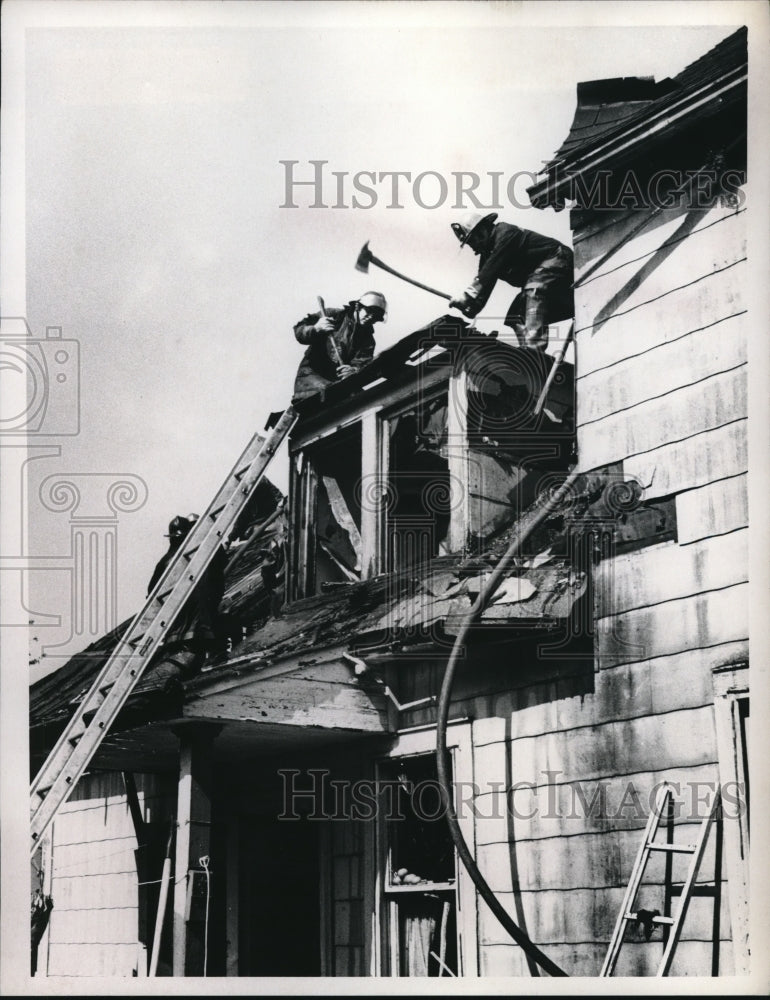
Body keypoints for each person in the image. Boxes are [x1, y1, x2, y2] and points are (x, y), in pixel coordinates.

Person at [449, 212, 574, 350]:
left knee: (534, 290)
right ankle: (527, 351)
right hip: (542, 277)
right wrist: (470, 307)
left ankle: (534, 349)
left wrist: (467, 296)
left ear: (483, 230)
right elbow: (485, 285)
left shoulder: (505, 233)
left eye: (472, 240)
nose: (472, 246)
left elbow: (488, 272)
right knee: (516, 315)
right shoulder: (488, 254)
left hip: (559, 259)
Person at [292, 291, 387, 403]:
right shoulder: (333, 315)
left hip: (337, 384)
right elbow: (299, 331)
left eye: (376, 316)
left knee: (363, 400)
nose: (371, 317)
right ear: (358, 306)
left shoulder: (368, 341)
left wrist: (353, 371)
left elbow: (362, 364)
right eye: (369, 311)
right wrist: (316, 328)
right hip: (310, 380)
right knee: (332, 396)